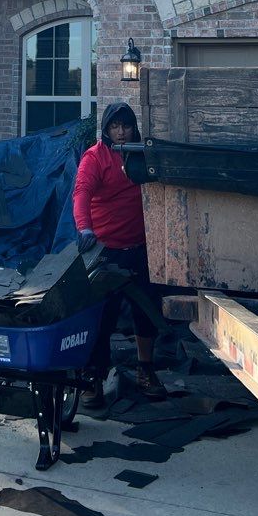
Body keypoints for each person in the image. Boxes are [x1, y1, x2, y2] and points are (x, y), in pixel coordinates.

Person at [72, 100, 167, 407]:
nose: (122, 132)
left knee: (146, 311)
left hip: (140, 248)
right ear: (106, 129)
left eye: (126, 126)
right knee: (102, 317)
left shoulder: (142, 153)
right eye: (115, 126)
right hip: (106, 252)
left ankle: (146, 370)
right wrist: (84, 228)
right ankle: (93, 378)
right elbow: (81, 193)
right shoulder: (95, 158)